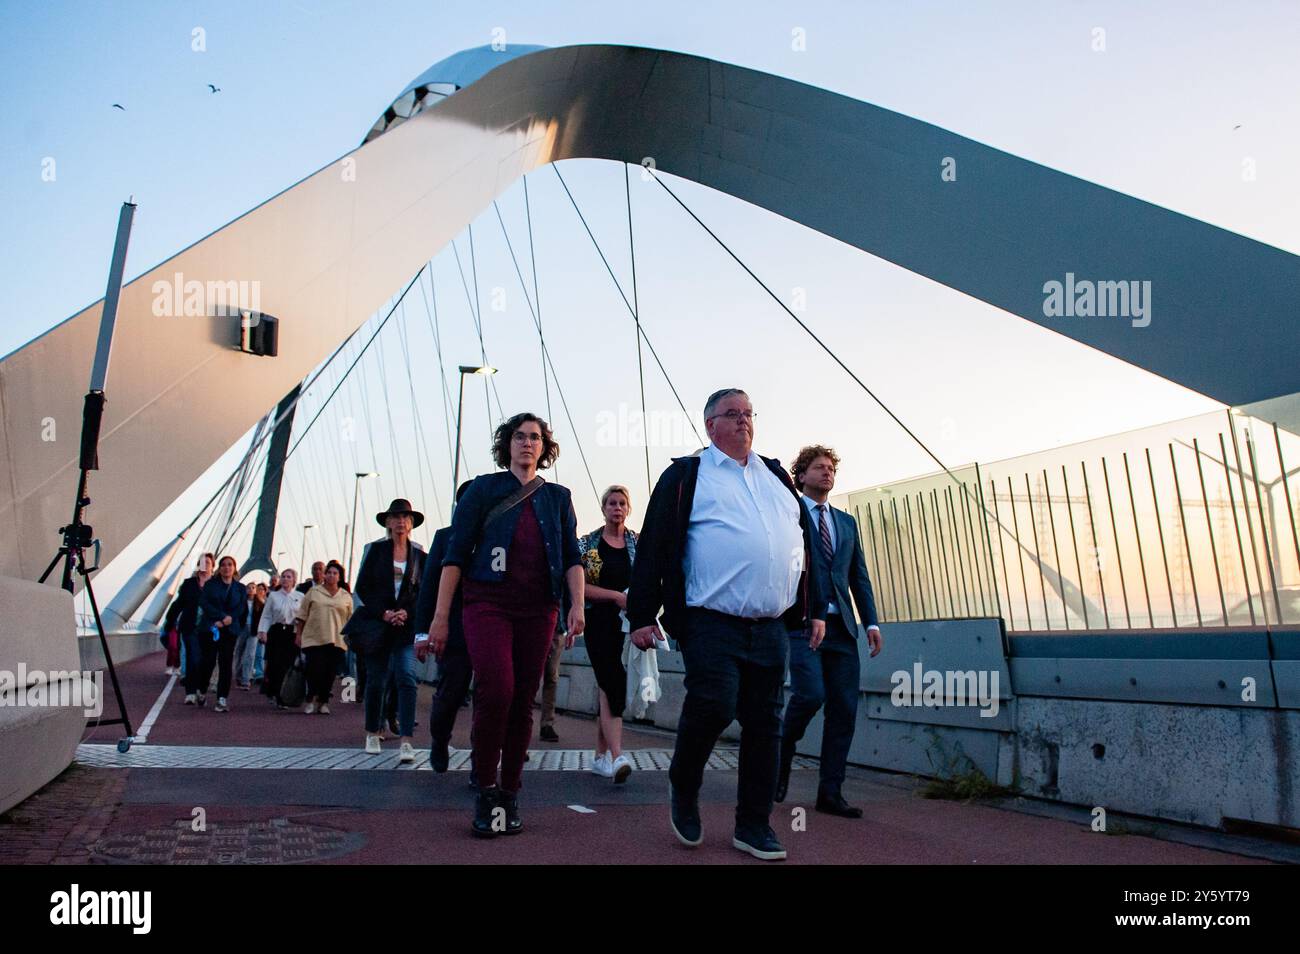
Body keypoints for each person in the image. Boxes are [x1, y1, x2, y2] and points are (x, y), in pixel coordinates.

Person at [628, 388, 826, 861]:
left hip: (771, 624)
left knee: (765, 724)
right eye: (731, 414)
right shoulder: (687, 476)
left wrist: (815, 607)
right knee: (714, 705)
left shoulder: (776, 475)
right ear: (709, 425)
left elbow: (803, 544)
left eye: (748, 413)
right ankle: (684, 782)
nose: (743, 421)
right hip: (708, 619)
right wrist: (640, 615)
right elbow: (655, 543)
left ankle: (753, 825)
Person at [431, 412, 584, 837]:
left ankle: (510, 791)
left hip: (539, 609)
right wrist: (440, 619)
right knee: (495, 688)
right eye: (519, 436)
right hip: (488, 604)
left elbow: (572, 556)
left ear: (544, 447)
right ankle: (484, 784)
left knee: (522, 700)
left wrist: (578, 606)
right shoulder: (483, 489)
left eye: (535, 437)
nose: (527, 443)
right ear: (507, 444)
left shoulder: (557, 497)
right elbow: (455, 556)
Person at [776, 446, 882, 817]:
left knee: (844, 709)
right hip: (803, 621)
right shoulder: (789, 515)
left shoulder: (846, 522)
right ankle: (781, 752)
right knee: (810, 694)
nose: (827, 473)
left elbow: (858, 576)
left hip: (842, 628)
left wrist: (870, 621)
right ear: (800, 476)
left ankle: (830, 792)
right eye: (819, 467)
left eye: (831, 468)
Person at [353, 498, 427, 761]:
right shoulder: (375, 551)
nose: (401, 522)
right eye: (395, 517)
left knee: (406, 677)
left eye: (406, 517)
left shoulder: (419, 556)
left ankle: (406, 740)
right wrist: (383, 612)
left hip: (405, 628)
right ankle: (373, 732)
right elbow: (362, 587)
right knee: (377, 680)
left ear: (411, 524)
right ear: (387, 522)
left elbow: (424, 593)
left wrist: (408, 612)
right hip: (378, 625)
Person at [578, 485, 638, 783]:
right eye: (611, 503)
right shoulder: (588, 544)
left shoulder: (638, 544)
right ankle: (617, 756)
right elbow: (579, 585)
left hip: (628, 624)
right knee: (612, 680)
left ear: (628, 509)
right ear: (603, 509)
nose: (616, 508)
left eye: (621, 503)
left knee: (609, 684)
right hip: (598, 621)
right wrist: (615, 596)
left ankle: (600, 757)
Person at [414, 481, 474, 772]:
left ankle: (482, 758)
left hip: (492, 628)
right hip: (454, 629)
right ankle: (439, 739)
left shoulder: (500, 537)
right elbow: (428, 589)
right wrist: (423, 633)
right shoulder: (445, 538)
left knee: (493, 694)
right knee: (452, 691)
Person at [294, 560, 352, 714]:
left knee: (329, 672)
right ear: (324, 575)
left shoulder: (345, 596)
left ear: (339, 577)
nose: (331, 575)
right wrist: (299, 634)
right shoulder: (314, 592)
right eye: (329, 573)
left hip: (337, 639)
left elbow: (350, 619)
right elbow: (302, 615)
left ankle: (324, 701)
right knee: (314, 669)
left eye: (335, 573)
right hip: (315, 637)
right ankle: (311, 699)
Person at [196, 555, 250, 712]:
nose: (227, 568)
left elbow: (241, 608)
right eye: (224, 565)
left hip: (230, 631)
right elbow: (204, 603)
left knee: (226, 664)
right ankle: (202, 689)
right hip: (211, 628)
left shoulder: (240, 588)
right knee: (209, 662)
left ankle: (222, 698)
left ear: (234, 568)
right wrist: (220, 618)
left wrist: (230, 619)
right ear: (219, 568)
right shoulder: (211, 585)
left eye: (230, 565)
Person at [167, 553, 214, 700]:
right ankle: (190, 692)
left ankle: (202, 688)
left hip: (210, 629)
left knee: (206, 661)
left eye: (207, 562)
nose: (204, 565)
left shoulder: (216, 585)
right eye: (202, 562)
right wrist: (170, 621)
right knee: (192, 657)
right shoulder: (189, 584)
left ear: (213, 566)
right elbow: (178, 604)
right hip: (190, 627)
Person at [258, 569, 302, 709]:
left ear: (294, 580)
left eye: (289, 577)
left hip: (292, 632)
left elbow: (303, 617)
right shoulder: (273, 596)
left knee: (287, 663)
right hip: (276, 631)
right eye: (283, 576)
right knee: (274, 663)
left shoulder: (300, 596)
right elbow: (266, 615)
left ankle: (284, 694)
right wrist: (263, 631)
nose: (285, 579)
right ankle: (275, 693)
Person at [233, 581, 264, 690]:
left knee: (250, 655)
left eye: (253, 587)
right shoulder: (240, 602)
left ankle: (246, 680)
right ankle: (237, 676)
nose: (251, 589)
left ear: (256, 590)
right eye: (249, 587)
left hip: (253, 630)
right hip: (242, 629)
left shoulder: (260, 604)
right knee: (239, 652)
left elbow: (263, 619)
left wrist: (261, 631)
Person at [538, 628, 564, 742]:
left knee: (552, 677)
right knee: (527, 677)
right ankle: (517, 728)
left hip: (557, 629)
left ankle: (547, 724)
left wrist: (568, 631)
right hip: (533, 624)